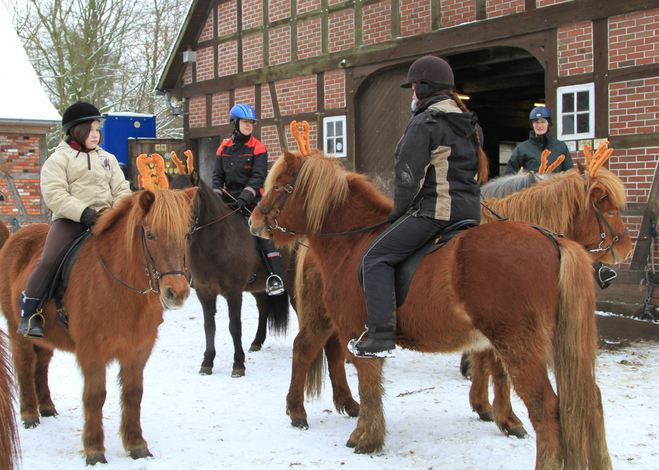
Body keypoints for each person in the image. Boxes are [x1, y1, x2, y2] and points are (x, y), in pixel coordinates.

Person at [351, 55, 486, 358]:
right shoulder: (470, 125)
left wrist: (397, 215)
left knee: (375, 257)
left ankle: (381, 333)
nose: (412, 96)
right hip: (469, 214)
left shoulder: (425, 123)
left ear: (424, 88)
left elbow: (408, 178)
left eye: (413, 89)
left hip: (435, 213)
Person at [17, 101, 132, 338]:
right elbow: (55, 195)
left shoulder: (108, 158)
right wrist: (85, 213)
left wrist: (116, 212)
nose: (95, 134)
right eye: (90, 130)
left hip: (108, 220)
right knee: (48, 260)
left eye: (97, 129)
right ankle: (30, 313)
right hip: (72, 220)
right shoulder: (58, 160)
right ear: (76, 131)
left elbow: (122, 189)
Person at [212, 104, 285, 296]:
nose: (249, 125)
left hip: (252, 200)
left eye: (251, 122)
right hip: (227, 200)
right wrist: (217, 197)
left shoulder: (258, 147)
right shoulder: (223, 147)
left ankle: (275, 276)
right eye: (245, 122)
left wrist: (245, 198)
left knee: (263, 232)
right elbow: (217, 176)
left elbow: (258, 177)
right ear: (235, 123)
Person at [504, 107, 573, 175]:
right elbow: (509, 173)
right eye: (536, 122)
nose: (539, 126)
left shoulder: (561, 147)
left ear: (549, 124)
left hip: (554, 185)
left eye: (543, 122)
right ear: (532, 124)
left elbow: (570, 173)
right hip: (532, 185)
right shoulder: (522, 149)